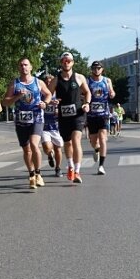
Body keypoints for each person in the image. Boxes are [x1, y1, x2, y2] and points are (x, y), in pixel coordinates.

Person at [3, 58, 52, 189]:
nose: (23, 67)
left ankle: (38, 174)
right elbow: (5, 102)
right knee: (26, 149)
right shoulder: (15, 83)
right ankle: (31, 174)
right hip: (21, 120)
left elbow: (48, 94)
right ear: (18, 68)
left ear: (31, 67)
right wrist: (17, 96)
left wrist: (45, 103)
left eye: (26, 65)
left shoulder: (38, 82)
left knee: (34, 145)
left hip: (37, 118)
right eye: (21, 65)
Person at [47, 52, 91, 183]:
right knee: (67, 143)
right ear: (61, 63)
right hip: (63, 116)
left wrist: (87, 104)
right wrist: (51, 101)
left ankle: (77, 171)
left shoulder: (79, 77)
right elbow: (48, 95)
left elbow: (87, 92)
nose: (66, 63)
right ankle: (70, 165)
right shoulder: (56, 80)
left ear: (73, 62)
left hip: (78, 114)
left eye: (69, 60)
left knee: (76, 140)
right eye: (64, 61)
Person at [86, 61, 116, 176]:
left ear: (102, 69)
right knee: (94, 141)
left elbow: (111, 91)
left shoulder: (107, 80)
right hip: (92, 115)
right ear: (92, 69)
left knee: (103, 138)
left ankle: (101, 166)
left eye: (98, 68)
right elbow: (83, 93)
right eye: (94, 68)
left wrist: (112, 93)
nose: (96, 70)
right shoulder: (88, 81)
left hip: (103, 114)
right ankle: (96, 149)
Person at [42, 74, 64, 177]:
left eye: (50, 82)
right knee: (47, 146)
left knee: (58, 148)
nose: (48, 84)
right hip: (44, 125)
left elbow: (65, 108)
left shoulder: (59, 94)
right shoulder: (41, 95)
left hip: (57, 125)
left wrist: (58, 108)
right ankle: (50, 155)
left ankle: (58, 168)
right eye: (46, 82)